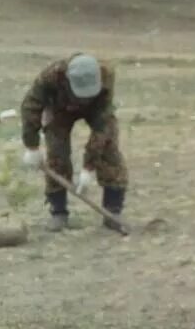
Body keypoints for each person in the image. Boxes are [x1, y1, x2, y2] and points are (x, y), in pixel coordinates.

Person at [20, 54, 128, 230]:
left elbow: (102, 127)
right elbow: (31, 106)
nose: (83, 99)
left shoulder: (106, 75)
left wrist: (89, 166)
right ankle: (58, 212)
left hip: (97, 109)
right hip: (60, 108)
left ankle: (113, 211)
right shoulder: (51, 76)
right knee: (57, 153)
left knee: (109, 150)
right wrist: (31, 145)